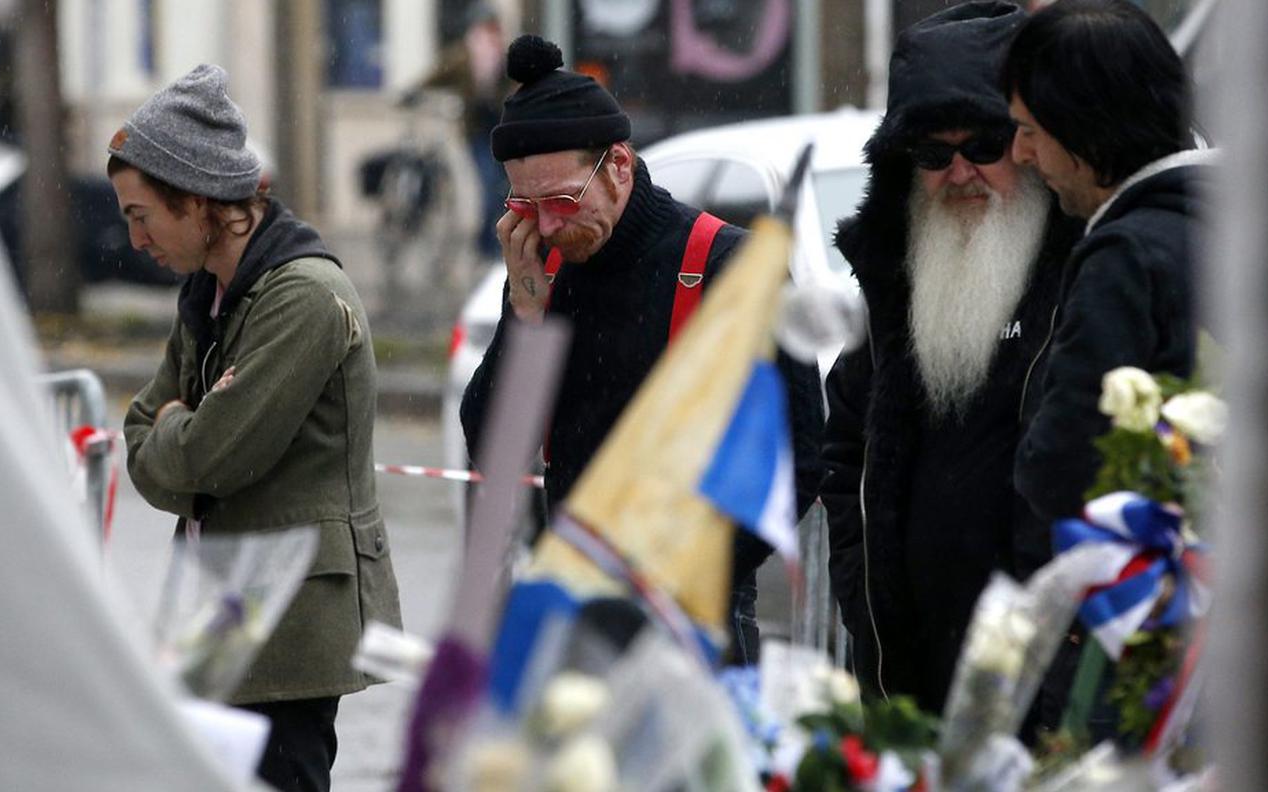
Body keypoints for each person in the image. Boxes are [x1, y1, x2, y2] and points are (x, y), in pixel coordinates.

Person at [459, 35, 824, 665]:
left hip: (694, 625)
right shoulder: (543, 270)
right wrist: (524, 317)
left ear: (620, 166)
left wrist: (697, 572)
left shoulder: (723, 264)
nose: (545, 226)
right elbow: (496, 445)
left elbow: (800, 454)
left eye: (562, 202)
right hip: (571, 618)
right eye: (525, 206)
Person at [112, 64, 402, 792]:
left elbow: (212, 459)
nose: (135, 238)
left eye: (141, 214)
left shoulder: (302, 295)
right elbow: (142, 429)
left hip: (289, 621)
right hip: (223, 605)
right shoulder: (210, 291)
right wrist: (176, 431)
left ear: (199, 200)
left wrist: (181, 432)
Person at [819, 0, 1083, 723]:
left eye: (984, 145)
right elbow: (845, 449)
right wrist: (860, 587)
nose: (960, 171)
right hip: (917, 673)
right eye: (933, 155)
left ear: (1025, 145)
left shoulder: (1085, 275)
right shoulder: (892, 284)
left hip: (1048, 676)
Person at [1003, 0, 1212, 524]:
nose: (1020, 155)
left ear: (1085, 129)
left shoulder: (1125, 259)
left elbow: (1063, 462)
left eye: (1030, 130)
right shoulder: (1238, 227)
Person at [409, 2, 508, 258]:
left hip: (502, 128)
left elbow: (516, 85)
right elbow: (434, 76)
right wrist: (412, 94)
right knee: (489, 184)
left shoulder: (505, 56)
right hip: (477, 130)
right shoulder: (463, 54)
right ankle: (487, 245)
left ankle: (492, 241)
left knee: (502, 186)